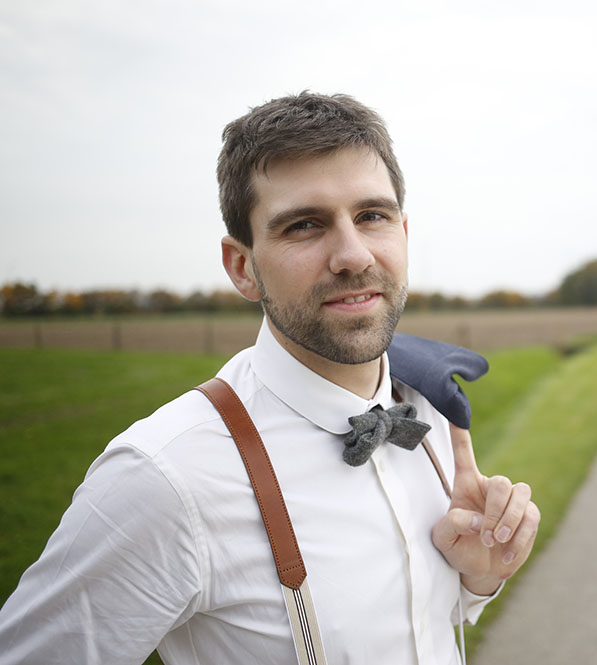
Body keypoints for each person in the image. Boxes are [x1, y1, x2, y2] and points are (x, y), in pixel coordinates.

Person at [0, 92, 540, 664]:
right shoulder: (165, 477)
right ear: (242, 266)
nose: (353, 256)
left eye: (371, 216)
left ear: (404, 233)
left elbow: (408, 628)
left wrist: (477, 579)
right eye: (304, 226)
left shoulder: (427, 409)